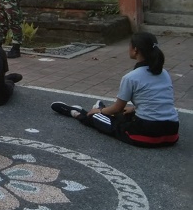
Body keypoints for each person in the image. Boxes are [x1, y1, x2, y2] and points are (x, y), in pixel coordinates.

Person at [51, 32, 179, 147]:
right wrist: (134, 108)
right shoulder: (164, 73)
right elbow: (158, 101)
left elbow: (117, 108)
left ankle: (77, 113)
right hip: (172, 133)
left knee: (99, 119)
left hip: (146, 135)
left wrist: (100, 111)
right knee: (126, 113)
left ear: (135, 50)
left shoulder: (131, 77)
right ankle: (100, 108)